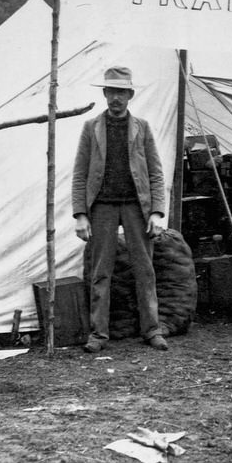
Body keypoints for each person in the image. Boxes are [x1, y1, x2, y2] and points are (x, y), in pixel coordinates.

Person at [72, 66, 169, 353]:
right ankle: (99, 334)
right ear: (104, 94)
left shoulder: (142, 127)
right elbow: (80, 173)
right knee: (101, 270)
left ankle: (151, 329)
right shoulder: (91, 128)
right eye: (111, 92)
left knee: (145, 270)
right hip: (102, 206)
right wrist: (80, 214)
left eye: (121, 93)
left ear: (130, 95)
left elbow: (155, 172)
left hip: (137, 207)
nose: (116, 98)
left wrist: (157, 212)